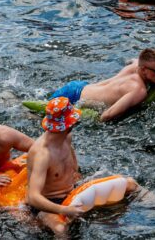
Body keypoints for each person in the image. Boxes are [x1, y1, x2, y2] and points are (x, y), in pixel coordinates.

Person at [26, 97, 141, 234]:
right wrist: (63, 210)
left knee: (131, 184)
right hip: (49, 204)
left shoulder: (67, 137)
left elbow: (73, 166)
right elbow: (33, 197)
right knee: (61, 229)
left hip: (72, 192)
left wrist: (78, 177)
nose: (76, 122)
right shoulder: (42, 154)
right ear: (68, 124)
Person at [49, 48, 155, 122]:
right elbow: (107, 116)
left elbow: (131, 60)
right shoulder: (138, 90)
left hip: (82, 86)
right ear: (144, 69)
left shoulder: (135, 65)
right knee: (41, 115)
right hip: (74, 97)